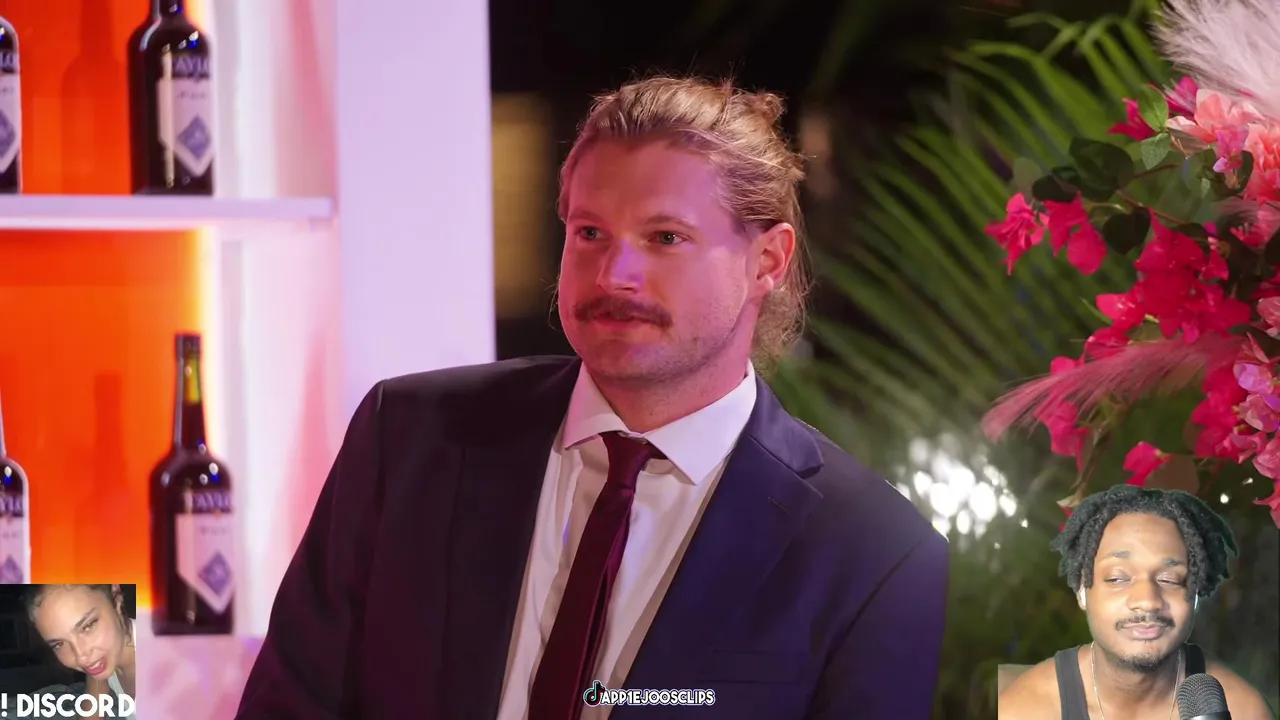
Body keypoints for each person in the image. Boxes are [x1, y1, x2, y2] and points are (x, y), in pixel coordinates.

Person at [235, 74, 949, 720]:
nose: (615, 274)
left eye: (664, 237)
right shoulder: (411, 439)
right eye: (590, 233)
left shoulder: (871, 553)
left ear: (767, 260)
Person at [998, 485, 1275, 720]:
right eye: (1117, 578)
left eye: (1170, 579)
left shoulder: (1243, 711)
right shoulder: (1025, 710)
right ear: (1082, 590)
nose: (1147, 601)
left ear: (1196, 594)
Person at [26, 584, 137, 720]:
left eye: (88, 626)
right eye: (59, 644)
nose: (81, 657)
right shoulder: (102, 661)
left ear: (116, 598)